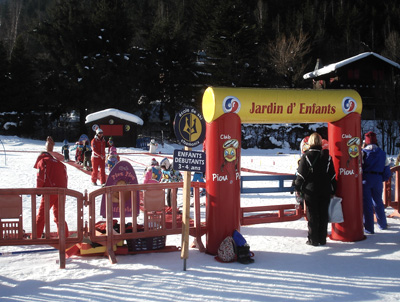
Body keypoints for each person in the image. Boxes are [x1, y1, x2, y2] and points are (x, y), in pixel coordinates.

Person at [294, 132, 337, 246]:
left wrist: (297, 187)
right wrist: (333, 190)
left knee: (312, 215)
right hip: (325, 189)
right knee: (323, 215)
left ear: (310, 142)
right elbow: (332, 175)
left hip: (311, 190)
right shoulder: (327, 157)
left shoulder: (306, 156)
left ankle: (313, 239)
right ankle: (322, 239)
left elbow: (301, 175)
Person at [34, 137, 68, 238]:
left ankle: (36, 235)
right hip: (62, 191)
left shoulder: (43, 161)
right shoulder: (60, 164)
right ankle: (64, 235)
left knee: (42, 214)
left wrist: (39, 189)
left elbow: (40, 176)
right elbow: (65, 177)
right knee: (59, 215)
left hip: (50, 191)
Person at [362, 131, 391, 234]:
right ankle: (382, 224)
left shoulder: (363, 152)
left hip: (365, 179)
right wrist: (381, 178)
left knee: (367, 205)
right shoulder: (383, 153)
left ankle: (369, 228)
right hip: (378, 179)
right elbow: (387, 170)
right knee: (378, 202)